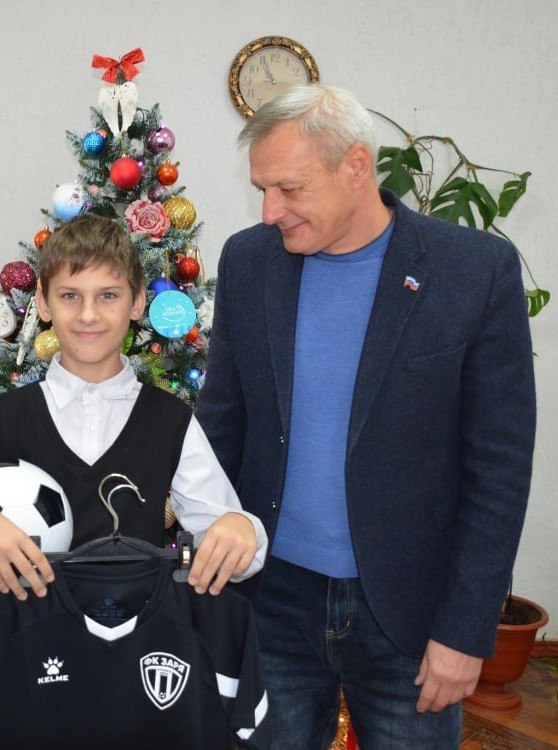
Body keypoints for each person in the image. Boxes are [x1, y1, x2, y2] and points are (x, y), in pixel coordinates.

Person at [195, 83, 535, 749]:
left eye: (288, 188)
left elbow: (499, 469)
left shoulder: (474, 270)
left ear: (356, 165)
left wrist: (466, 630)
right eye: (262, 189)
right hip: (272, 601)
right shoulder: (248, 261)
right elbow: (221, 424)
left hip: (410, 615)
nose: (269, 211)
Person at [0, 213, 267, 600]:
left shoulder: (172, 421)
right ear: (43, 303)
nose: (88, 315)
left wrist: (243, 529)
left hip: (137, 636)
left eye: (108, 295)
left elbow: (237, 545)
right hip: (27, 638)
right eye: (69, 296)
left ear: (137, 302)